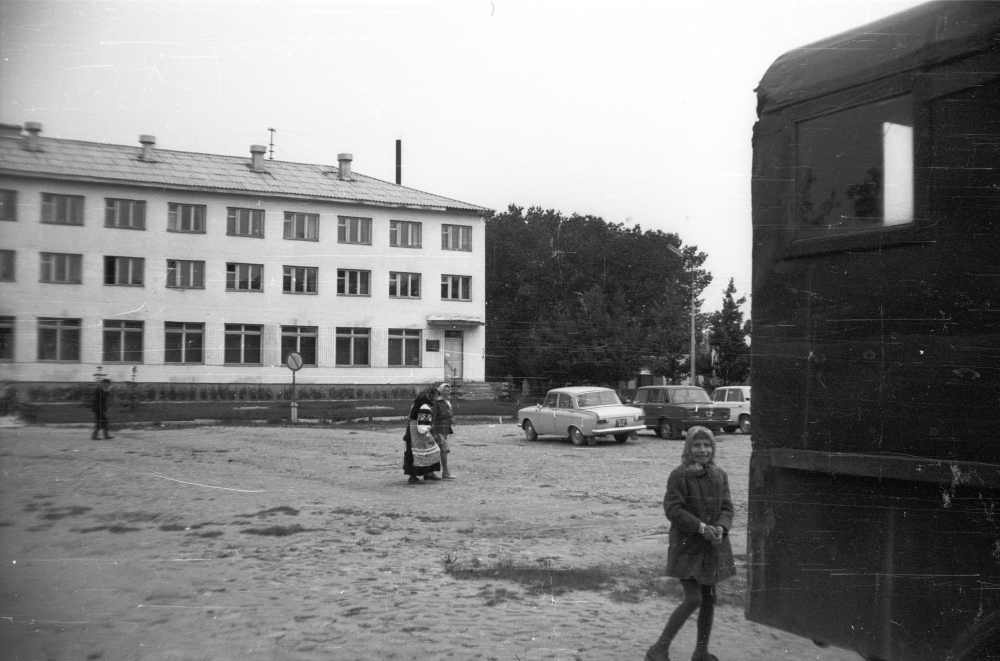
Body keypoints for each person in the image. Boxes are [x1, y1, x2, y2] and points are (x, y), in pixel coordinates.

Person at [646, 426, 734, 661]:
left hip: (712, 546)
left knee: (709, 599)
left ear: (713, 448)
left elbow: (727, 507)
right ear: (688, 448)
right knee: (694, 598)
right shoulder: (679, 475)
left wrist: (721, 528)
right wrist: (700, 527)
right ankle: (658, 649)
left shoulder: (719, 474)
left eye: (707, 445)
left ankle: (701, 651)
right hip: (687, 546)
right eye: (697, 445)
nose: (702, 450)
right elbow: (673, 509)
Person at [402, 384, 442, 483]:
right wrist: (428, 430)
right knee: (417, 453)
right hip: (418, 433)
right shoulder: (424, 406)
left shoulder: (417, 404)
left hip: (413, 430)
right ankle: (413, 476)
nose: (437, 398)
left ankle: (428, 473)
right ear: (431, 396)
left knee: (426, 452)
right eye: (436, 396)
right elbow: (422, 425)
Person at [433, 382, 455, 479]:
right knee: (443, 450)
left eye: (449, 390)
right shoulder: (437, 403)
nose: (448, 391)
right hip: (438, 429)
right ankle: (445, 472)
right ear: (441, 392)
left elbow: (449, 413)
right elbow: (434, 417)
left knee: (441, 450)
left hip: (445, 428)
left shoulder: (448, 402)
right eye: (445, 390)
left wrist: (451, 418)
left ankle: (433, 472)